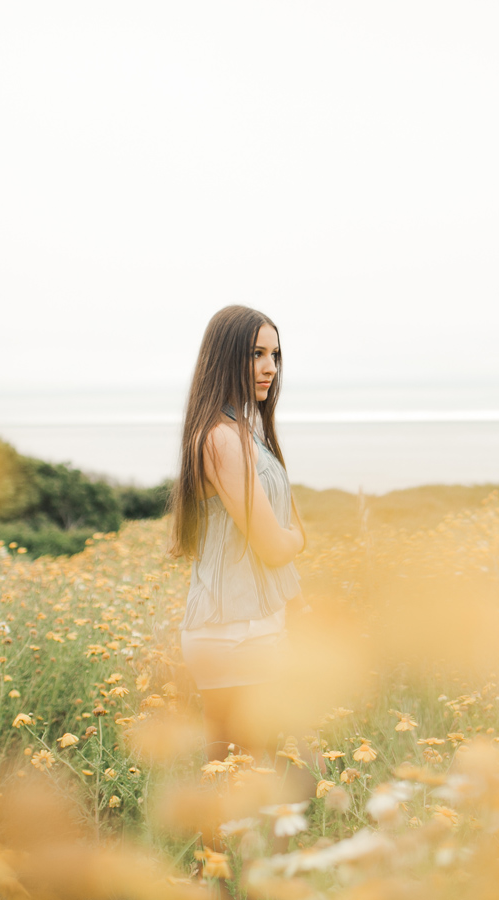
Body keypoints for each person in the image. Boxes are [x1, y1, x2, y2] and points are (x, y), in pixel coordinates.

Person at [169, 305, 308, 770]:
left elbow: (286, 523)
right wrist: (295, 540)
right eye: (256, 354)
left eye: (275, 354)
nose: (270, 367)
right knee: (244, 786)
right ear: (226, 357)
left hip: (253, 627)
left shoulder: (246, 433)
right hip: (233, 635)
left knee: (258, 781)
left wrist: (290, 536)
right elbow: (276, 543)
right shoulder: (221, 439)